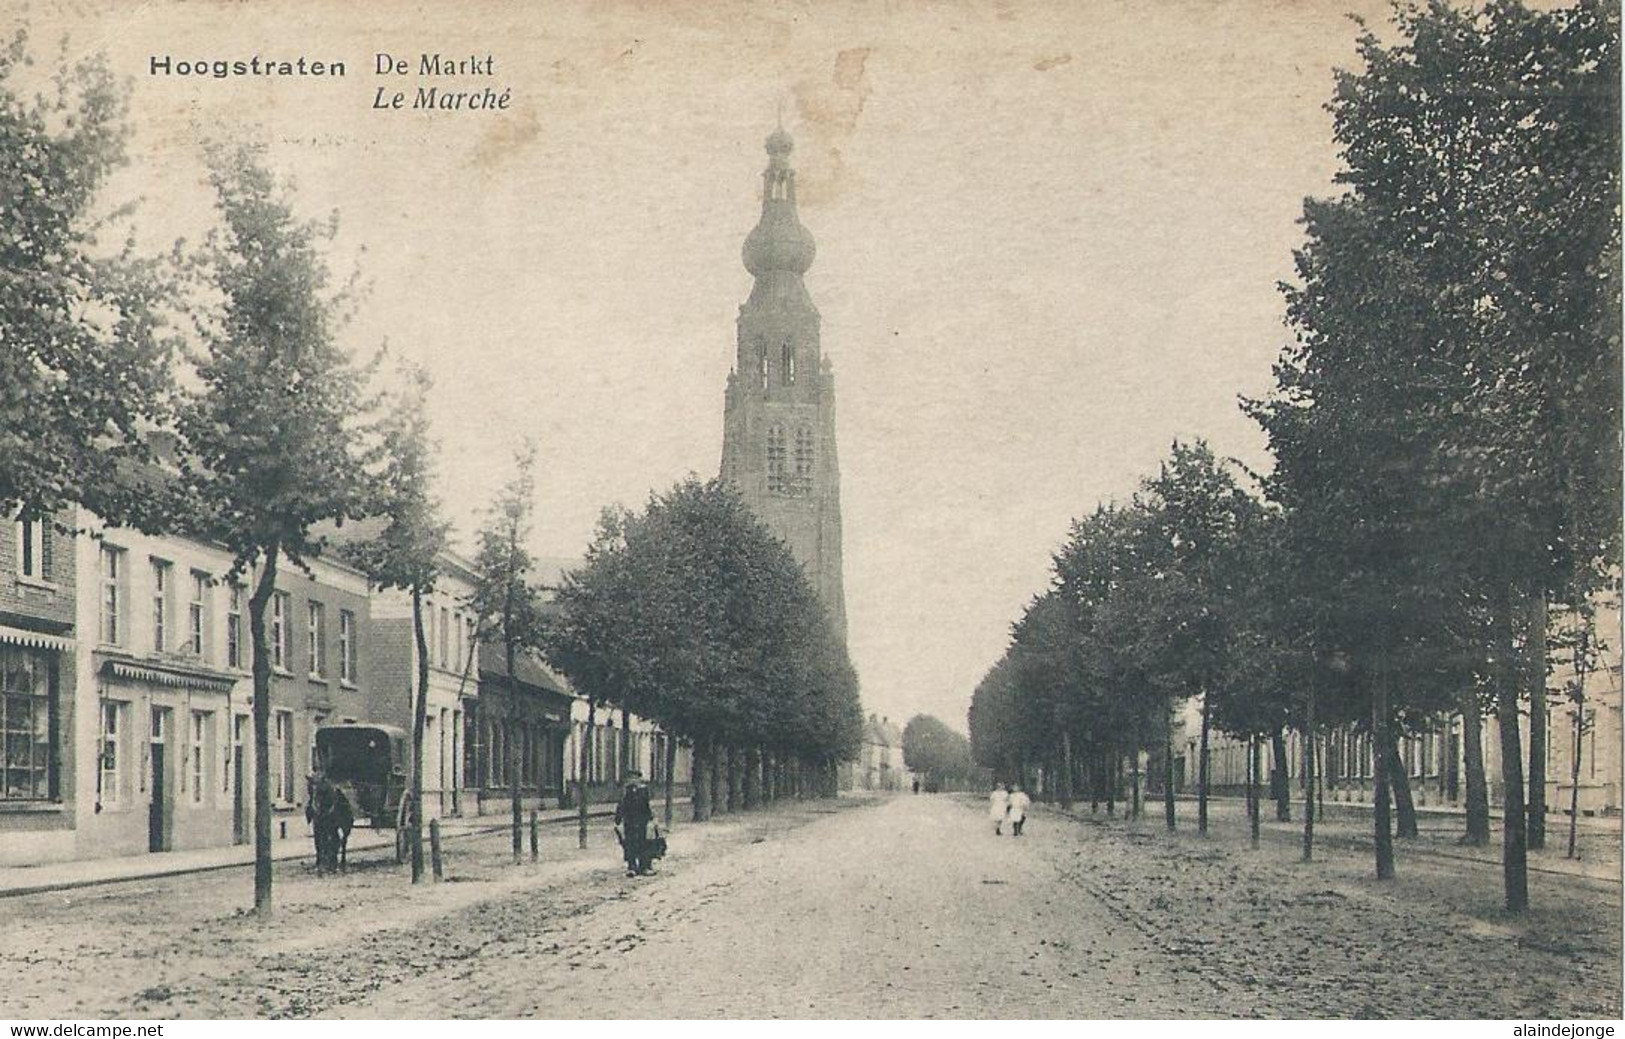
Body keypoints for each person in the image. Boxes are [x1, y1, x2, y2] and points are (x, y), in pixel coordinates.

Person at [615, 769, 655, 876]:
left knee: (644, 843)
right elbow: (621, 805)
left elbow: (647, 806)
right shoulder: (627, 791)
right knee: (630, 843)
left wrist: (651, 819)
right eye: (631, 778)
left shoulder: (644, 791)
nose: (633, 780)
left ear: (639, 779)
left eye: (635, 778)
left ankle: (644, 866)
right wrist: (618, 819)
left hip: (642, 821)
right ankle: (631, 867)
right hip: (630, 821)